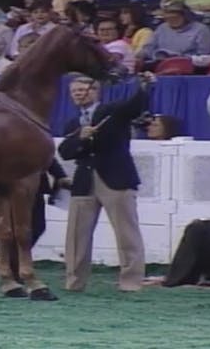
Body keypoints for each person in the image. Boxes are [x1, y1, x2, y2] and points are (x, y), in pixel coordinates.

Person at [58, 73, 155, 292]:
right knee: (76, 235)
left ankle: (131, 281)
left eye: (84, 90)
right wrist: (80, 137)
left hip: (116, 179)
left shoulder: (112, 112)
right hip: (84, 181)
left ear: (95, 91)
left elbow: (135, 106)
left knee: (126, 233)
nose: (79, 95)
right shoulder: (74, 123)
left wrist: (144, 86)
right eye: (75, 92)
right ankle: (74, 282)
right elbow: (65, 152)